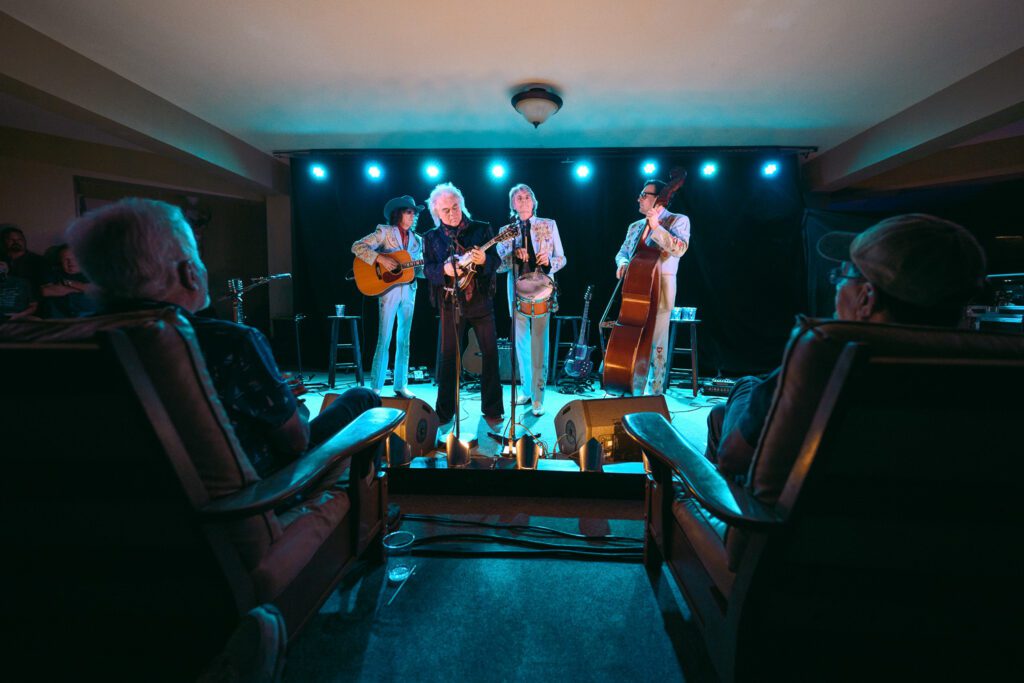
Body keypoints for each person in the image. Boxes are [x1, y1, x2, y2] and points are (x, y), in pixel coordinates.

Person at [66, 198, 379, 480]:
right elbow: (295, 442)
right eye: (197, 255)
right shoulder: (229, 342)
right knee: (362, 398)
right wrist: (292, 405)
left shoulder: (66, 340)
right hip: (257, 495)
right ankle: (376, 512)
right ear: (189, 271)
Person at [705, 213, 987, 478]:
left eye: (842, 277)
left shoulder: (823, 355)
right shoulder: (988, 368)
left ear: (867, 298)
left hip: (789, 525)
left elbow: (734, 458)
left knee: (745, 388)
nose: (837, 287)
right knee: (728, 408)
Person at [421, 182, 503, 426]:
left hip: (480, 300)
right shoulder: (431, 237)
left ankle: (492, 408)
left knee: (490, 354)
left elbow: (496, 262)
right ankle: (445, 411)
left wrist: (485, 258)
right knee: (448, 357)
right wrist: (443, 269)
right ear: (436, 212)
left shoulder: (482, 229)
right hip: (450, 301)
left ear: (462, 205)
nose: (452, 213)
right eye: (446, 210)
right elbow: (428, 268)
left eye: (455, 207)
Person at [613, 180, 691, 395]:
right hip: (635, 285)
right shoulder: (635, 226)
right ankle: (630, 384)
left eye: (644, 194)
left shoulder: (678, 220)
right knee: (633, 335)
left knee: (656, 338)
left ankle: (654, 391)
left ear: (658, 198)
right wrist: (622, 263)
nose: (639, 198)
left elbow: (679, 249)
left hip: (662, 283)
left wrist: (656, 226)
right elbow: (622, 253)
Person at [496, 183, 566, 416]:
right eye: (518, 198)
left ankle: (538, 396)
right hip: (516, 291)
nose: (523, 201)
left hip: (542, 290)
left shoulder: (549, 224)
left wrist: (548, 262)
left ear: (534, 201)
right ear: (512, 204)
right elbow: (499, 266)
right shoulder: (506, 230)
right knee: (522, 344)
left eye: (527, 196)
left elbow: (562, 258)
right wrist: (513, 255)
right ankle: (526, 390)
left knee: (539, 344)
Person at [352, 195, 425, 399]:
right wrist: (381, 258)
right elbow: (357, 246)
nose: (413, 216)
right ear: (398, 213)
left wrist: (433, 267)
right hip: (388, 291)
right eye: (409, 212)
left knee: (404, 339)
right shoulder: (384, 232)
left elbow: (419, 271)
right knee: (384, 338)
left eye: (415, 213)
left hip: (409, 290)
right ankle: (376, 386)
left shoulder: (418, 240)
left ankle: (400, 385)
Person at [40, 244, 96, 318]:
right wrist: (81, 289)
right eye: (66, 259)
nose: (70, 262)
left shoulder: (93, 273)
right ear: (60, 261)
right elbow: (44, 291)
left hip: (90, 317)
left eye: (74, 258)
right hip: (61, 318)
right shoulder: (54, 273)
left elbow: (99, 291)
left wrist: (68, 284)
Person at [1, 224, 49, 297]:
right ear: (4, 241)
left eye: (19, 239)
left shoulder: (39, 261)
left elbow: (46, 288)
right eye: (11, 239)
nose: (16, 242)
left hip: (30, 301)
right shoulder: (2, 259)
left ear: (24, 241)